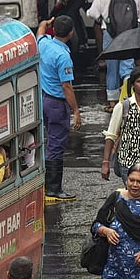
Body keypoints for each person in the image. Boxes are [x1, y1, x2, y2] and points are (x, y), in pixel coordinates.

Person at [87, 0, 140, 109]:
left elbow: (93, 13)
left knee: (111, 69)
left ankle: (113, 103)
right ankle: (129, 99)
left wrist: (100, 18)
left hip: (110, 34)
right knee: (127, 69)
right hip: (129, 35)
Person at [37, 16, 82, 201]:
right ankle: (53, 189)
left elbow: (39, 31)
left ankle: (47, 184)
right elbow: (67, 87)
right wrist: (76, 111)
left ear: (53, 30)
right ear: (71, 33)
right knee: (56, 145)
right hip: (57, 103)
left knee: (47, 142)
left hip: (43, 100)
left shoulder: (44, 43)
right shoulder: (63, 57)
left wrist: (45, 23)